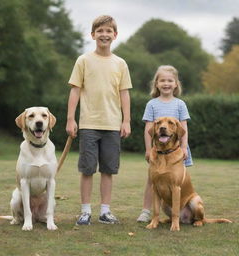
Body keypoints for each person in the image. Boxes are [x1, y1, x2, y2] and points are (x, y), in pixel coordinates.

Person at [66, 15, 132, 225]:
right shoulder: (83, 60)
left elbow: (124, 94)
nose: (104, 34)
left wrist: (126, 121)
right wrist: (70, 119)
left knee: (108, 170)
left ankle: (105, 211)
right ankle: (85, 212)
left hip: (112, 125)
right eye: (100, 31)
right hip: (88, 125)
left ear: (115, 35)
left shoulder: (120, 64)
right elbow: (75, 91)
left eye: (108, 31)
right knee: (87, 170)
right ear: (93, 35)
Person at [137, 65, 193, 222]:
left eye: (170, 80)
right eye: (162, 80)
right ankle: (146, 212)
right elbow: (148, 128)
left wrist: (183, 147)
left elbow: (184, 128)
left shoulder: (180, 104)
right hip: (157, 151)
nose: (166, 83)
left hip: (176, 151)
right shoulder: (152, 104)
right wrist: (148, 150)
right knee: (152, 181)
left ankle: (179, 212)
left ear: (176, 84)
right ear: (156, 84)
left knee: (177, 183)